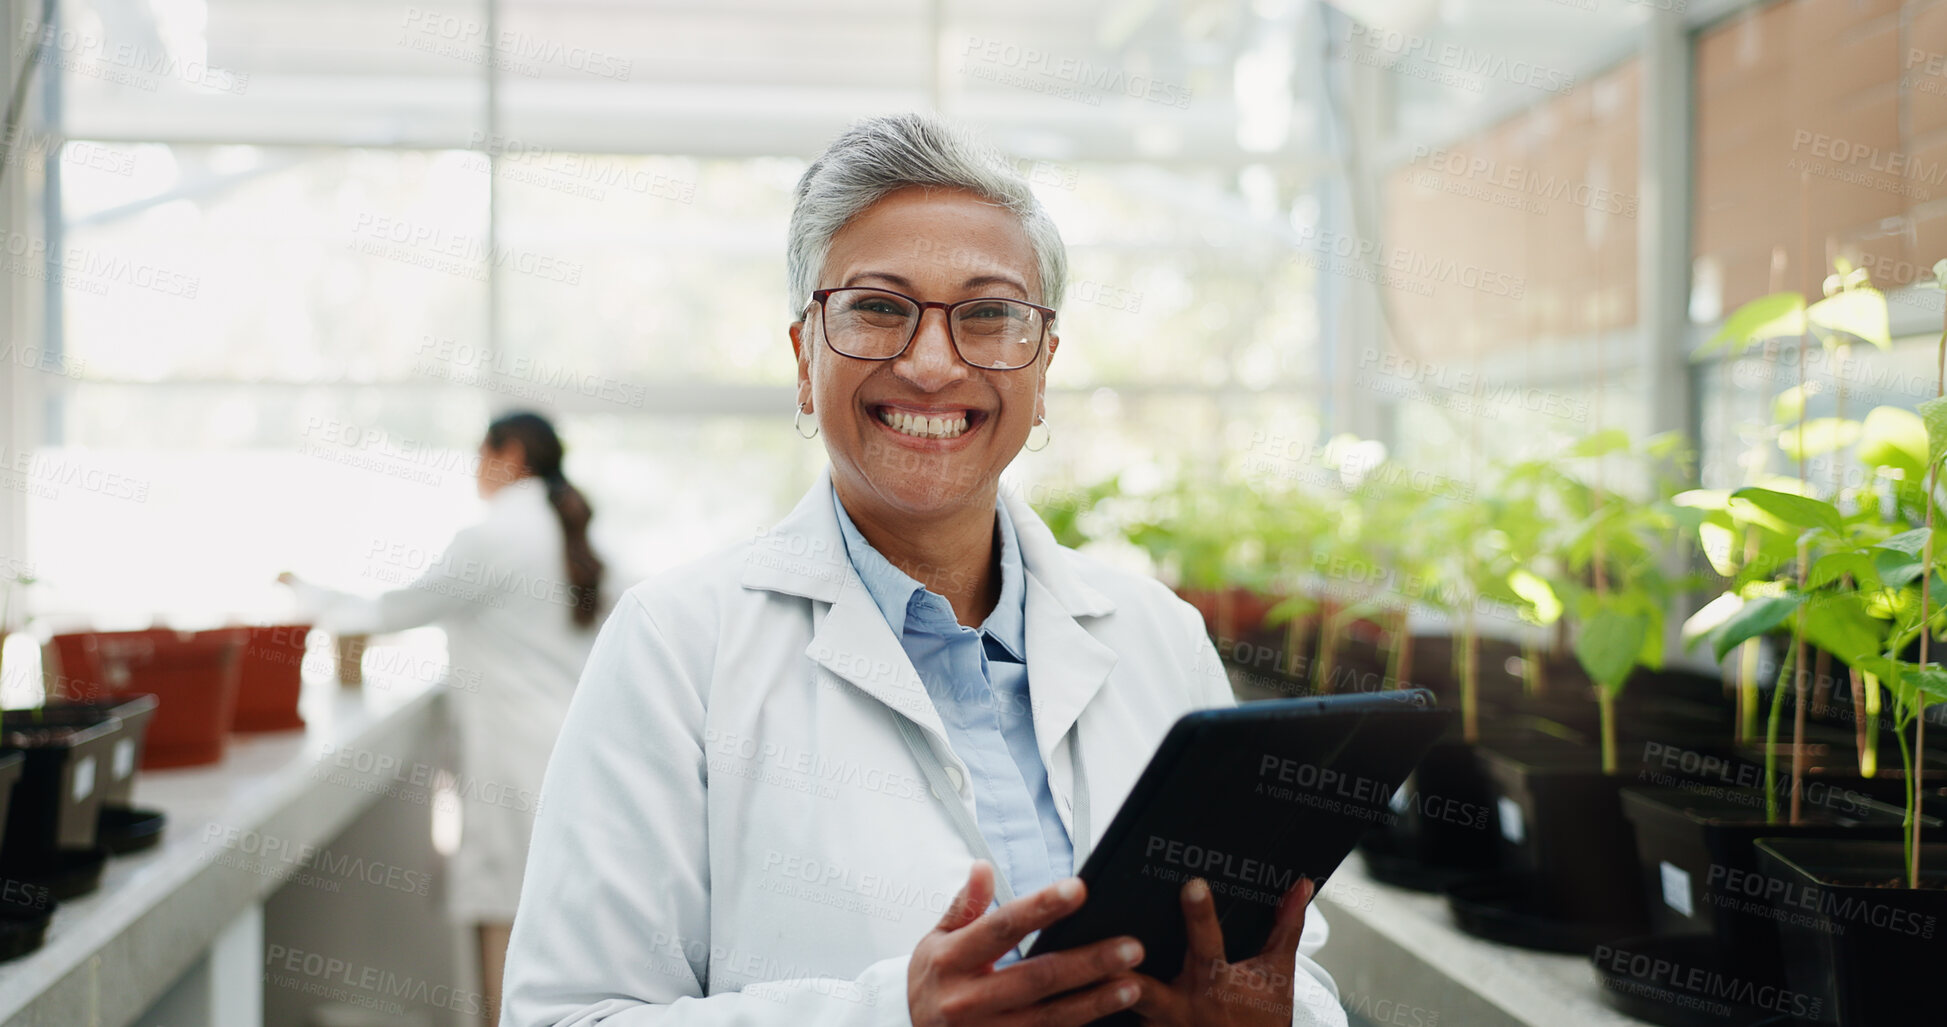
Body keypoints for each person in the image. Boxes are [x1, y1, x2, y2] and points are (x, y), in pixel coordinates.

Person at [500, 114, 1345, 1027]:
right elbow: (564, 1017)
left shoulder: (1158, 638)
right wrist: (889, 1015)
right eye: (876, 308)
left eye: (988, 314)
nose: (933, 363)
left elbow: (1288, 968)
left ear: (1043, 365)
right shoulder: (676, 647)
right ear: (802, 357)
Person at [282, 410, 607, 1026]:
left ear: (509, 454)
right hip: (567, 757)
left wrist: (308, 595)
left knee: (505, 921)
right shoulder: (570, 529)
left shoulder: (492, 538)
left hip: (513, 765)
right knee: (555, 932)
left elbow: (391, 610)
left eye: (480, 454)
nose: (474, 469)